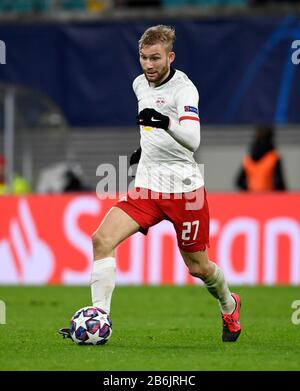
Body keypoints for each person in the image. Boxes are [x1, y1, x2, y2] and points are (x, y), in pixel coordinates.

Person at [59, 25, 241, 343]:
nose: (149, 65)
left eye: (155, 58)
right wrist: (144, 149)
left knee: (199, 268)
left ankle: (229, 303)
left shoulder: (185, 90)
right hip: (146, 188)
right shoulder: (139, 84)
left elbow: (193, 140)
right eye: (143, 58)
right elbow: (150, 127)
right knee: (102, 239)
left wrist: (164, 121)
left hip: (185, 192)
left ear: (170, 56)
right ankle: (98, 319)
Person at [235, 125, 286, 192]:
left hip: (252, 198)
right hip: (269, 197)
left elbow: (239, 181)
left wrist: (250, 190)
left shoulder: (249, 159)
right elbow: (280, 183)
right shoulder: (273, 157)